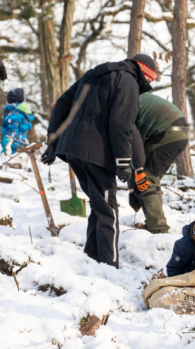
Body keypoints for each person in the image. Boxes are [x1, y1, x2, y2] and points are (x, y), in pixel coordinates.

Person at [41, 54, 156, 268]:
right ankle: (109, 266)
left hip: (73, 148)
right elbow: (122, 123)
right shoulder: (128, 80)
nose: (147, 85)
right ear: (144, 74)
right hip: (95, 152)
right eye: (149, 81)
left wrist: (53, 141)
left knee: (98, 204)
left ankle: (92, 259)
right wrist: (123, 160)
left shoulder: (94, 74)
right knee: (108, 209)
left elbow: (62, 104)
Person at [128, 92, 189, 234]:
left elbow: (133, 152)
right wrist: (132, 189)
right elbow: (135, 155)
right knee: (151, 179)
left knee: (146, 179)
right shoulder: (132, 94)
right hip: (181, 132)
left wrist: (134, 187)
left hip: (165, 131)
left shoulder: (122, 106)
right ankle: (154, 222)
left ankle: (158, 229)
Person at [1, 88, 33, 155]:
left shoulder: (14, 115)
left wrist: (6, 144)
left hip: (14, 148)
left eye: (7, 99)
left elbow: (12, 130)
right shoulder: (22, 112)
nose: (6, 101)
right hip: (22, 145)